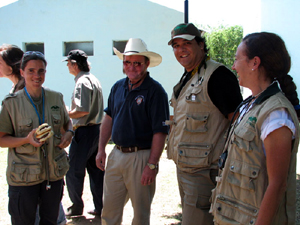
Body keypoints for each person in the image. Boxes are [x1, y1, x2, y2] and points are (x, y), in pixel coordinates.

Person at [210, 32, 300, 225]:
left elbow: (277, 185)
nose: (233, 66)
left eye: (236, 59)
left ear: (254, 63)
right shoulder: (250, 105)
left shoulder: (276, 115)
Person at [165, 23, 243, 225]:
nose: (180, 50)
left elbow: (238, 123)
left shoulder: (218, 76)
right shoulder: (190, 74)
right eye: (175, 45)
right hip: (186, 169)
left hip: (205, 173)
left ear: (201, 45)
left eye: (186, 44)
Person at [96, 38, 169, 225]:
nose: (132, 67)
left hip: (141, 157)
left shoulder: (155, 91)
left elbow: (160, 132)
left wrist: (152, 165)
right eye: (127, 62)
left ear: (147, 63)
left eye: (137, 63)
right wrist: (101, 149)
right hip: (116, 155)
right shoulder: (118, 87)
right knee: (109, 210)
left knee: (140, 214)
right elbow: (109, 118)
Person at [0, 51, 72, 224]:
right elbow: (1, 139)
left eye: (41, 71)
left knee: (50, 221)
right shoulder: (11, 103)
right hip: (24, 179)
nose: (36, 75)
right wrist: (26, 140)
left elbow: (67, 123)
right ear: (22, 72)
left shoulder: (56, 97)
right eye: (31, 70)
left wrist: (69, 134)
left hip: (52, 176)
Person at [63, 49, 104, 217]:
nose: (67, 66)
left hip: (84, 132)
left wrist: (65, 112)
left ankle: (76, 207)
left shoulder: (82, 82)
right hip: (97, 131)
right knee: (96, 172)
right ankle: (100, 207)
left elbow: (81, 110)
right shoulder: (94, 79)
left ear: (74, 64)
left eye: (68, 63)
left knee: (73, 171)